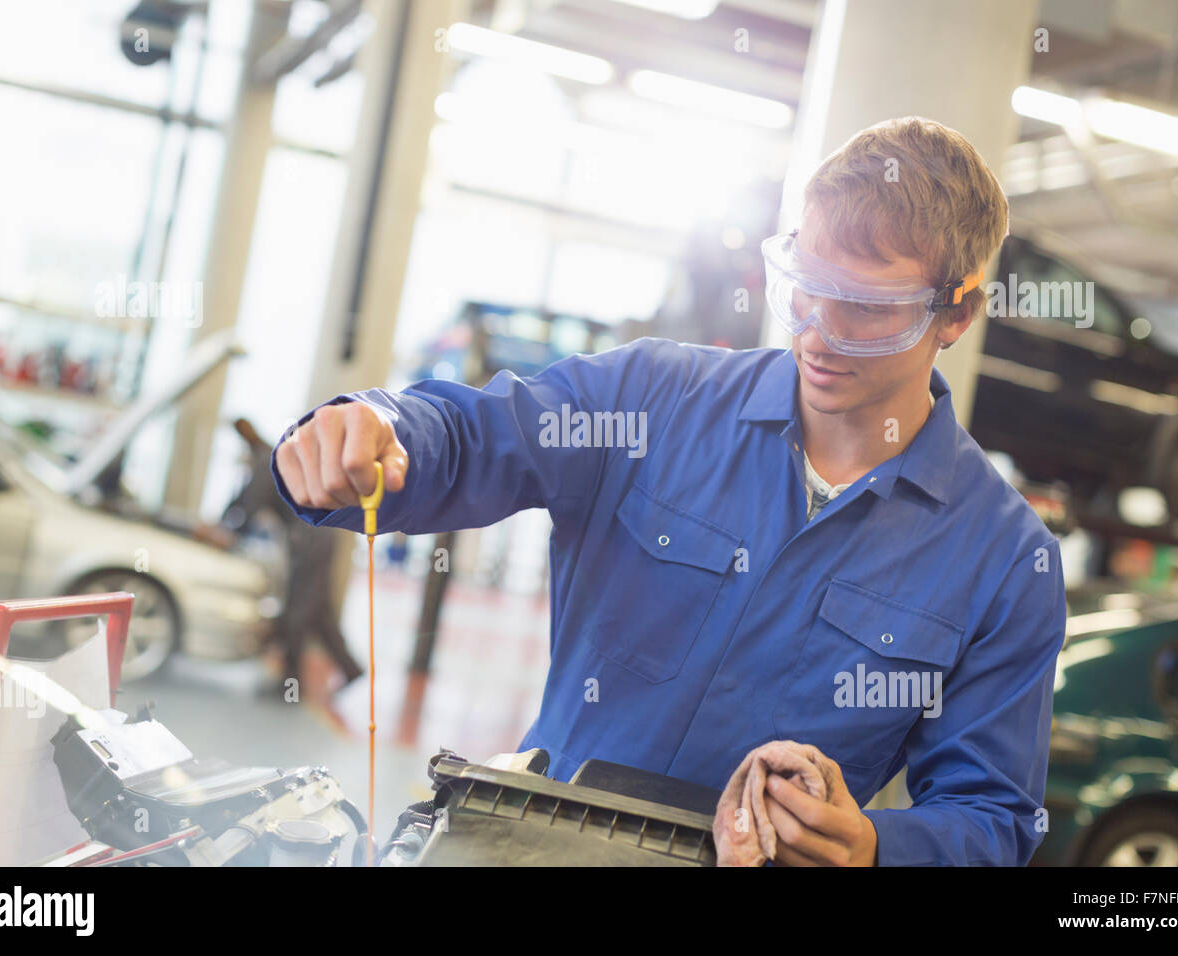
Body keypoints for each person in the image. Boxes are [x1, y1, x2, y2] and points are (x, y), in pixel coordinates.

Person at [271, 117, 1067, 866]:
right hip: (538, 848)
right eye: (804, 286)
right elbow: (478, 438)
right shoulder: (653, 401)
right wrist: (379, 427)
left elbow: (993, 816)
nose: (817, 331)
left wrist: (871, 849)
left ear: (956, 311)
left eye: (864, 308)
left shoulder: (1003, 561)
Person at [210, 418, 364, 702]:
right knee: (318, 611)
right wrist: (225, 524)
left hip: (310, 537)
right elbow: (242, 500)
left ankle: (290, 688)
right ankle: (352, 669)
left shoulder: (263, 461)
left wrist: (230, 531)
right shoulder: (267, 457)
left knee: (295, 614)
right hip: (317, 534)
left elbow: (250, 503)